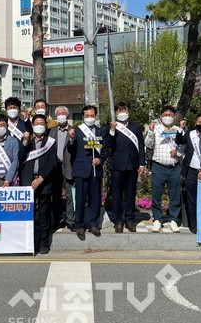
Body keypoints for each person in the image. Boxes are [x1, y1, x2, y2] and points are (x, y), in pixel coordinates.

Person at [68, 104, 108, 238]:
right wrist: (72, 138)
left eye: (92, 115)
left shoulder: (100, 131)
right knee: (80, 198)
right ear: (83, 116)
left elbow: (105, 150)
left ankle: (93, 224)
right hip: (81, 169)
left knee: (95, 199)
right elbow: (70, 150)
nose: (89, 118)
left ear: (95, 116)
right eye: (87, 116)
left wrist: (100, 159)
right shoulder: (77, 131)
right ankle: (79, 225)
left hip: (95, 170)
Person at [20, 115, 58, 254]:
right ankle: (29, 244)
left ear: (46, 124)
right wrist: (24, 142)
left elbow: (53, 161)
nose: (39, 125)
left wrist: (41, 177)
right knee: (28, 215)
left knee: (44, 215)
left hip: (44, 181)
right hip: (27, 182)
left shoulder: (51, 141)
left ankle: (43, 244)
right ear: (32, 124)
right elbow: (19, 158)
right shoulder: (26, 139)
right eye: (36, 123)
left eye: (41, 123)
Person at [145, 106, 184, 233]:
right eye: (165, 114)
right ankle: (157, 219)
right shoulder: (155, 128)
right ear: (160, 116)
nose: (168, 116)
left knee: (175, 195)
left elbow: (184, 147)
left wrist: (177, 153)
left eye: (170, 114)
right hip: (158, 167)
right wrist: (150, 132)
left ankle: (173, 220)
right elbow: (148, 145)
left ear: (174, 116)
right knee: (156, 194)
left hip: (174, 167)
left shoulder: (178, 129)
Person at [108, 102, 146, 233]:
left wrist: (142, 163)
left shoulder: (135, 127)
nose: (122, 113)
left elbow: (141, 146)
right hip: (117, 165)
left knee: (130, 194)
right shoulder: (112, 126)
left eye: (124, 110)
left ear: (128, 111)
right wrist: (112, 130)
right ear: (116, 113)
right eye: (119, 111)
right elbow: (108, 145)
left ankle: (129, 219)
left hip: (132, 165)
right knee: (116, 194)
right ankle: (118, 220)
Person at [49, 105, 75, 231]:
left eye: (63, 113)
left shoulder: (74, 131)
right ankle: (58, 219)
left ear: (67, 115)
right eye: (58, 113)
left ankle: (70, 220)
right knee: (56, 195)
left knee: (70, 195)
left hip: (69, 166)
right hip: (55, 167)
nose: (61, 115)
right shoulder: (51, 131)